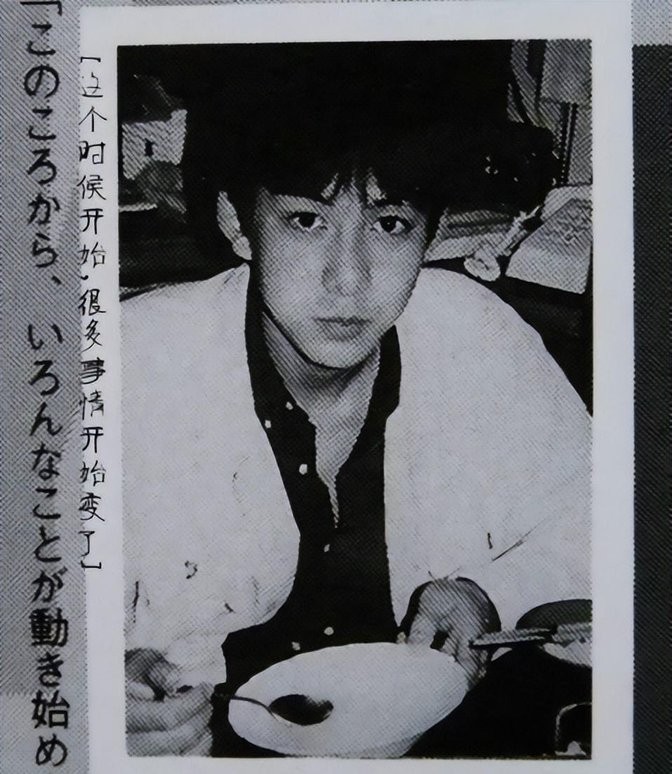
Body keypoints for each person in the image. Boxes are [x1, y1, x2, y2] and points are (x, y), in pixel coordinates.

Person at [121, 42, 590, 757]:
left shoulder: (473, 334)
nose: (350, 277)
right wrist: (96, 690)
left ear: (431, 234)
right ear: (238, 224)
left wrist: (490, 592)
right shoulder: (131, 366)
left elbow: (607, 516)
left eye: (389, 224)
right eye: (306, 221)